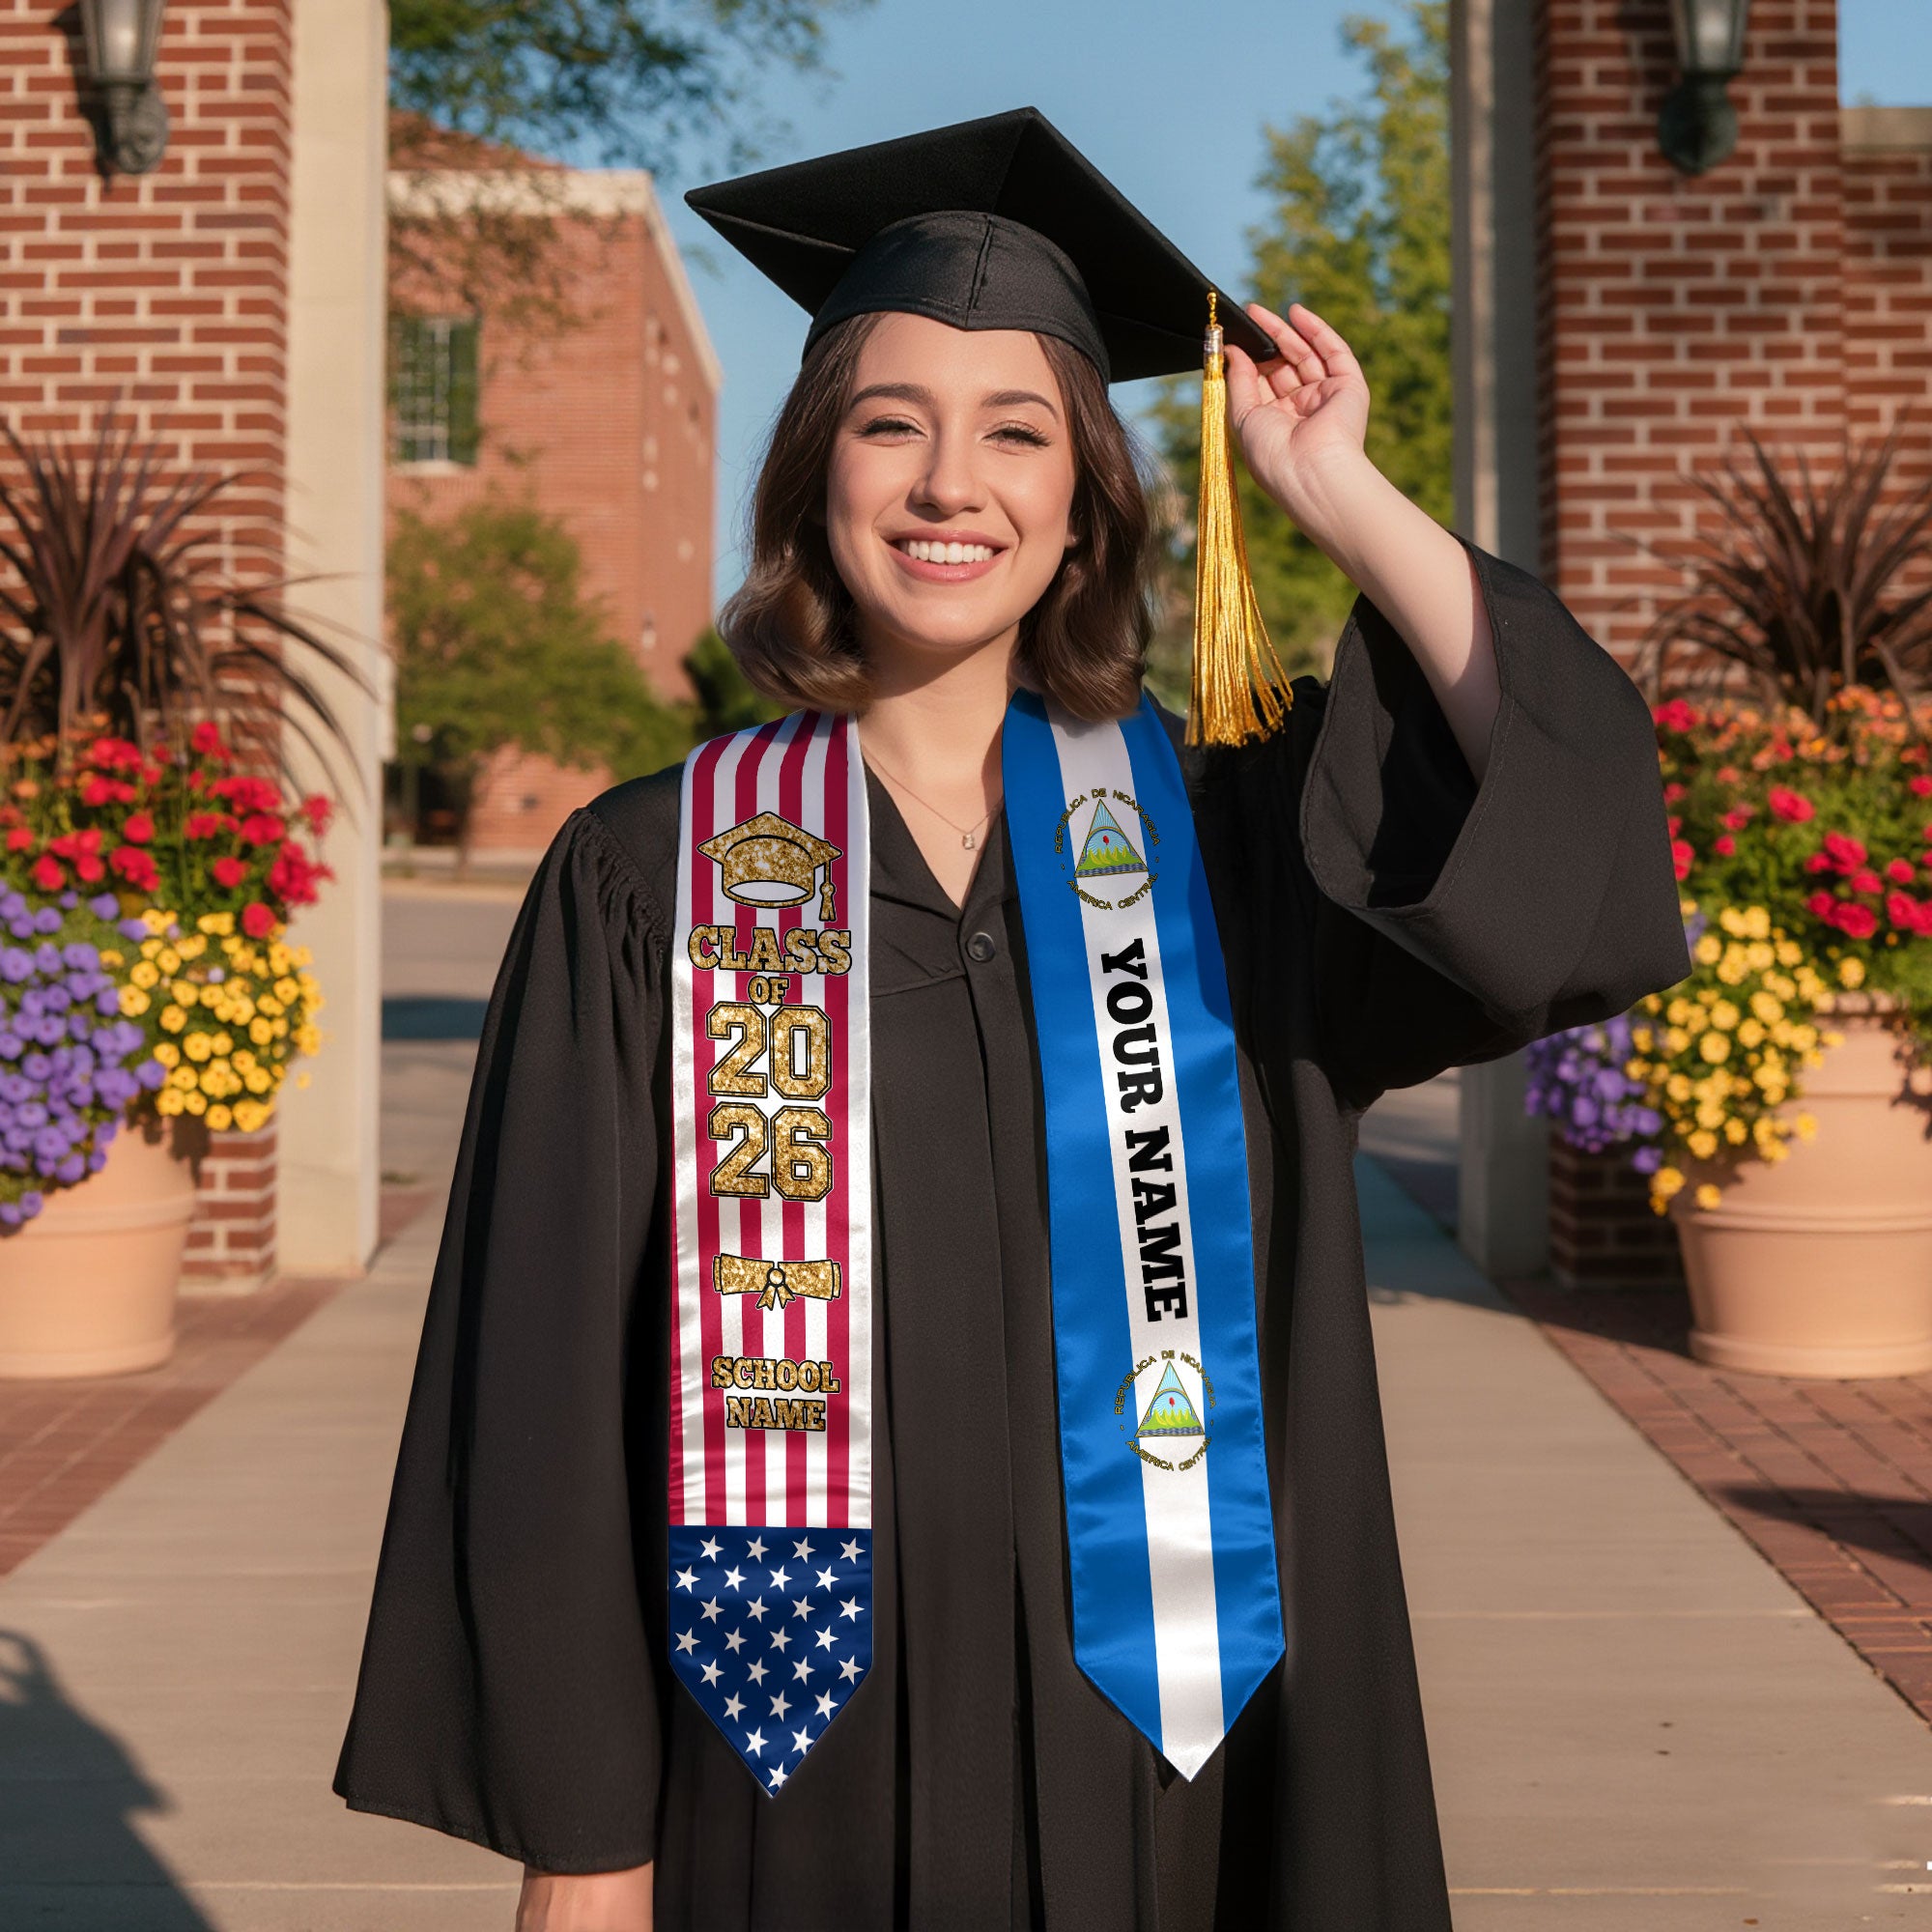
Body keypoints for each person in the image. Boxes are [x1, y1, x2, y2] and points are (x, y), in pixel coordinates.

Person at [333, 109, 1690, 1931]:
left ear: (1082, 506)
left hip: (1183, 1772)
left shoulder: (1231, 849)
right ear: (818, 472)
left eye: (1016, 433)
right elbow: (546, 1385)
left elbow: (1559, 822)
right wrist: (585, 1841)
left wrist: (1336, 491)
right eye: (892, 424)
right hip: (779, 1773)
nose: (947, 483)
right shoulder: (646, 877)